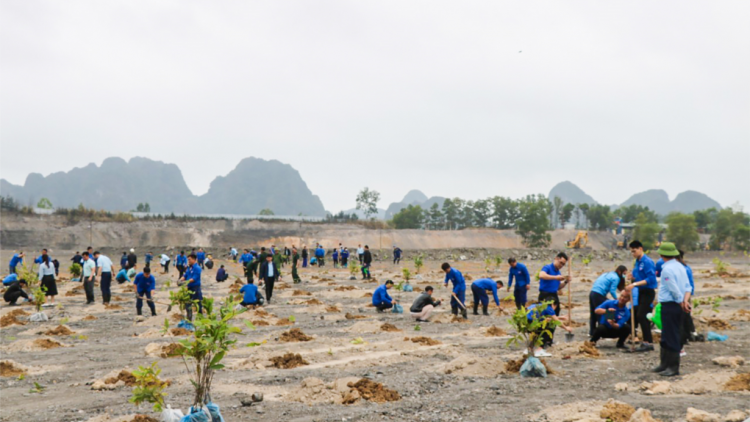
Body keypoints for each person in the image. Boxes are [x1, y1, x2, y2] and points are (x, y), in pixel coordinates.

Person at [650, 242, 692, 377]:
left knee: (671, 335)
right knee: (668, 334)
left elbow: (673, 288)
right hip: (679, 304)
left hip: (671, 304)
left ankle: (673, 367)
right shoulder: (681, 267)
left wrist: (680, 301)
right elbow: (688, 286)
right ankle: (664, 364)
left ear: (662, 255)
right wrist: (685, 301)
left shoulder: (667, 269)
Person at [625, 240, 658, 352]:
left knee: (641, 315)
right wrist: (632, 278)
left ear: (640, 249)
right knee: (641, 315)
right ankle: (646, 341)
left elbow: (650, 279)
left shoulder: (647, 262)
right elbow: (638, 277)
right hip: (641, 292)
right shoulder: (637, 262)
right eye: (631, 252)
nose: (633, 254)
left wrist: (634, 284)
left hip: (648, 292)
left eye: (634, 251)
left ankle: (648, 342)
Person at [589, 265, 627, 336]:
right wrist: (617, 299)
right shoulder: (616, 278)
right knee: (607, 309)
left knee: (593, 314)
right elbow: (612, 291)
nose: (624, 276)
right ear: (619, 271)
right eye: (624, 274)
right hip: (598, 294)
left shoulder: (608, 274)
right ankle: (604, 331)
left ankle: (592, 332)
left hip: (592, 292)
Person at [677, 250, 697, 356]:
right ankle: (688, 335)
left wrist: (686, 298)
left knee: (683, 318)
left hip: (683, 296)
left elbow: (689, 283)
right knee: (685, 317)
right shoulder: (685, 267)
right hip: (686, 296)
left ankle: (686, 337)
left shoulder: (683, 268)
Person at [180, 254, 203, 320]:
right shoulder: (189, 268)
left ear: (194, 259)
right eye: (188, 259)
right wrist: (180, 280)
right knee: (188, 304)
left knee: (198, 305)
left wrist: (185, 282)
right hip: (189, 289)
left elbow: (194, 279)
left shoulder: (197, 268)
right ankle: (189, 320)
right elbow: (185, 275)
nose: (188, 261)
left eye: (189, 259)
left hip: (196, 288)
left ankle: (201, 320)